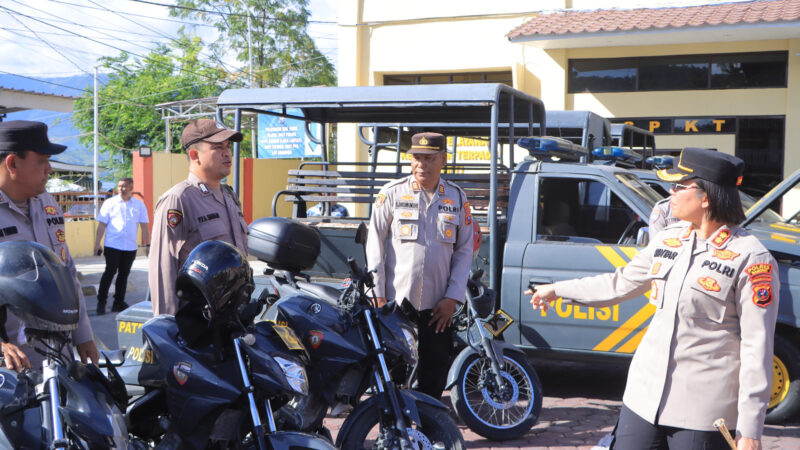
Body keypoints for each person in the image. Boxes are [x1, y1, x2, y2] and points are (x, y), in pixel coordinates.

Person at [529, 147, 778, 450]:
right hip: (644, 398)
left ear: (706, 197)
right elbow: (618, 284)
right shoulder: (668, 239)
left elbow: (757, 346)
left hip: (703, 409)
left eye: (679, 186)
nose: (670, 192)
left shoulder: (751, 257)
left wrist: (751, 427)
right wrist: (558, 290)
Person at [366, 132, 473, 400]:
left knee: (434, 371)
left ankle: (429, 430)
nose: (421, 164)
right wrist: (377, 294)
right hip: (395, 303)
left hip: (439, 307)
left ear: (443, 160)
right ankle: (394, 433)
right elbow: (374, 243)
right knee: (393, 372)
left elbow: (464, 250)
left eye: (429, 158)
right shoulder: (391, 193)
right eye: (416, 158)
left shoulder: (457, 198)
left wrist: (452, 297)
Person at [0, 120, 99, 371]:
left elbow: (65, 271)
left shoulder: (47, 203)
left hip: (57, 351)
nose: (50, 169)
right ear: (12, 163)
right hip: (11, 362)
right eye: (42, 161)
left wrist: (83, 335)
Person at [148, 119, 248, 316]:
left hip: (235, 317)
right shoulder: (179, 199)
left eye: (228, 147)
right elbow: (163, 269)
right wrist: (167, 328)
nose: (227, 153)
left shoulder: (229, 196)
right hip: (200, 323)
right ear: (195, 155)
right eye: (218, 147)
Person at [93, 177, 150, 315]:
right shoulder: (109, 203)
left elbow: (144, 226)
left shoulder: (139, 205)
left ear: (131, 187)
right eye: (119, 186)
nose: (121, 189)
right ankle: (101, 302)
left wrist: (148, 244)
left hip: (130, 246)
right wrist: (97, 243)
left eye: (124, 186)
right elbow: (102, 225)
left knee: (124, 275)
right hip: (112, 244)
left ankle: (118, 302)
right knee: (110, 272)